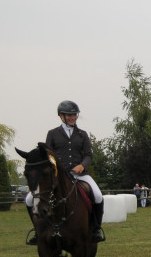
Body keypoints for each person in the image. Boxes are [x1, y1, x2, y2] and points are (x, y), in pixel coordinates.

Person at [25, 100, 105, 244]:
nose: (73, 117)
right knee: (29, 199)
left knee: (98, 196)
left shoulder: (83, 134)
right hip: (57, 176)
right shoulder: (53, 134)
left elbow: (88, 155)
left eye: (74, 114)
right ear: (61, 116)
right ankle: (38, 231)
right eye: (69, 115)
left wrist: (82, 165)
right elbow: (48, 155)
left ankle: (95, 230)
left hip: (79, 174)